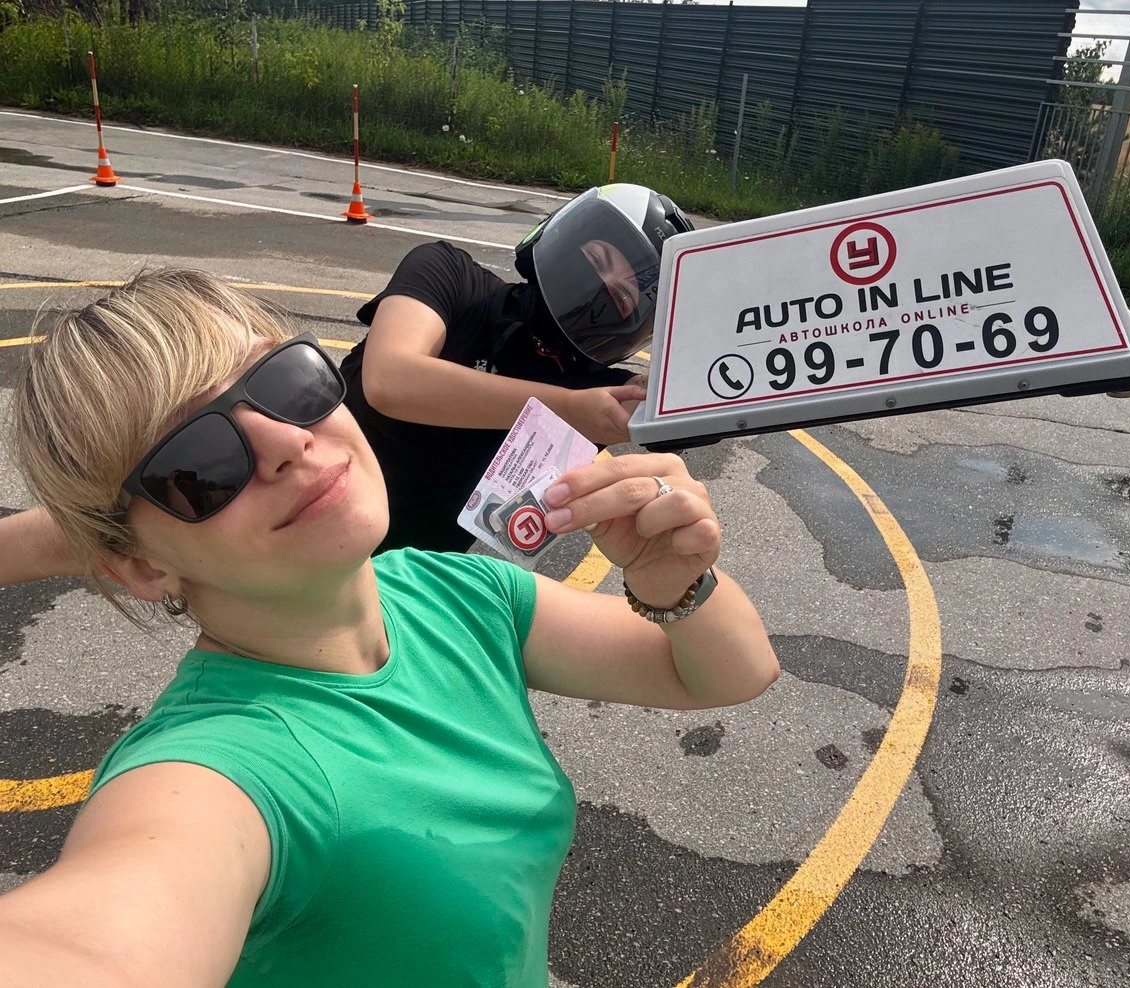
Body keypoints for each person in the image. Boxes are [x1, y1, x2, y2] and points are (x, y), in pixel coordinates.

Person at [0, 270, 779, 986]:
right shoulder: (216, 775)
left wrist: (675, 583)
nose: (288, 441)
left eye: (286, 381)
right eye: (199, 464)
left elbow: (730, 672)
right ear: (141, 567)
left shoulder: (456, 592)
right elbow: (99, 940)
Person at [0, 183, 693, 581]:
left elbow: (701, 411)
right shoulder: (452, 279)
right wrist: (570, 409)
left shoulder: (604, 393)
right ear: (563, 235)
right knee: (102, 529)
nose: (605, 285)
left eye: (628, 293)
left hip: (401, 577)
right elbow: (392, 378)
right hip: (283, 499)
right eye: (601, 257)